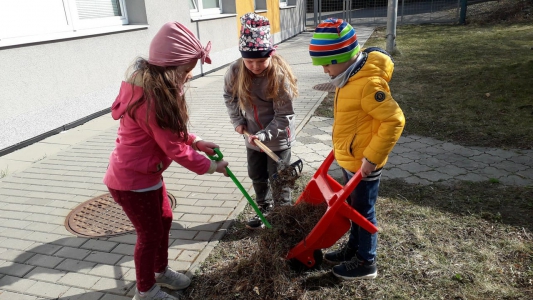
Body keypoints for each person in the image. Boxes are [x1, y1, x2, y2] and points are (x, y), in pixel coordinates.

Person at [103, 22, 228, 300]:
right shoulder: (151, 99)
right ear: (168, 67)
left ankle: (160, 271)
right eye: (185, 72)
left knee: (165, 220)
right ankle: (146, 290)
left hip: (147, 177)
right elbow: (172, 147)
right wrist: (210, 166)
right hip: (132, 182)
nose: (187, 78)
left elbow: (172, 132)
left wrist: (195, 141)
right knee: (149, 235)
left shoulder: (159, 90)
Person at [309, 18, 405, 280]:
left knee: (364, 211)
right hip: (351, 160)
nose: (324, 69)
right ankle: (354, 249)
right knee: (353, 208)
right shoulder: (349, 76)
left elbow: (394, 120)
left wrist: (372, 159)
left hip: (364, 164)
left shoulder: (368, 84)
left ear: (345, 56)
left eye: (327, 63)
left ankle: (366, 261)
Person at [223, 13, 299, 229]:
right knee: (256, 174)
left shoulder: (279, 76)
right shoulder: (236, 71)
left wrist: (265, 135)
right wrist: (238, 120)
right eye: (249, 61)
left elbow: (284, 115)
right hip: (253, 136)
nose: (255, 66)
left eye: (261, 60)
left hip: (277, 138)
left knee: (279, 178)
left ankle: (283, 215)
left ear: (271, 55)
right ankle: (263, 208)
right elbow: (229, 97)